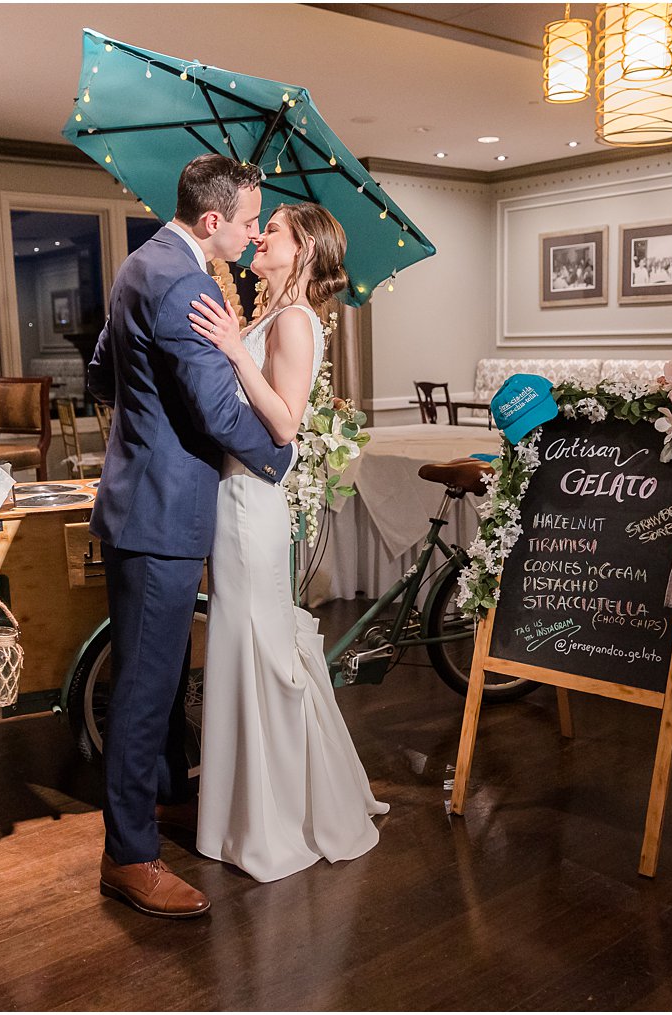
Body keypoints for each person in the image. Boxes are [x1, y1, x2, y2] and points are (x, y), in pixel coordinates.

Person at [87, 154, 294, 919]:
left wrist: (148, 420)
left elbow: (104, 371)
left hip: (140, 498)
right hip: (161, 512)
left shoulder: (142, 262)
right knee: (145, 688)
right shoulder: (188, 280)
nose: (250, 234)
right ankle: (129, 855)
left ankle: (167, 802)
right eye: (247, 222)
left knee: (165, 675)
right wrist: (283, 450)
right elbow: (214, 412)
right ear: (212, 221)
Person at [186, 202, 389, 883]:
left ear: (302, 249)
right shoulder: (270, 311)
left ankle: (273, 817)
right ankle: (251, 805)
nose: (258, 234)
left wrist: (234, 350)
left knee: (256, 643)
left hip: (251, 503)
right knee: (246, 642)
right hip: (235, 496)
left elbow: (285, 425)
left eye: (271, 228)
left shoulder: (296, 321)